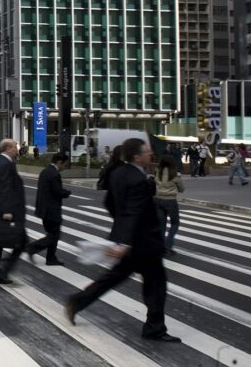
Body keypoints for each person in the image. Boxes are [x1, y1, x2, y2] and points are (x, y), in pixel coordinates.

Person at [66, 138, 179, 342]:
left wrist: (120, 229)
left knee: (113, 278)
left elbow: (110, 202)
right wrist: (125, 242)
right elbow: (134, 211)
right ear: (136, 156)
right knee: (156, 283)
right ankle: (154, 328)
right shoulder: (138, 179)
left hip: (129, 238)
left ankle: (77, 301)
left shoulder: (118, 174)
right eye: (146, 152)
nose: (149, 155)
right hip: (143, 242)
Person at [0, 139, 26, 284]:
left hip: (0, 208)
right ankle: (0, 272)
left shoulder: (1, 162)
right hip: (5, 210)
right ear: (8, 148)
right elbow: (5, 188)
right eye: (15, 147)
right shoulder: (5, 164)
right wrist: (7, 210)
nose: (17, 149)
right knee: (19, 242)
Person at [26, 152, 71, 266]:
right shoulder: (54, 174)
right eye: (65, 165)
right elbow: (57, 191)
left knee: (52, 234)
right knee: (54, 235)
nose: (65, 168)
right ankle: (32, 248)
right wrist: (67, 192)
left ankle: (51, 258)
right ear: (59, 162)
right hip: (52, 210)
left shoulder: (45, 171)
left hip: (43, 209)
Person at [155, 154, 185, 254]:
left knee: (162, 225)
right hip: (170, 201)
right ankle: (168, 245)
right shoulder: (175, 174)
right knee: (175, 223)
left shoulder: (157, 172)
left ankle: (161, 246)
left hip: (158, 200)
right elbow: (182, 189)